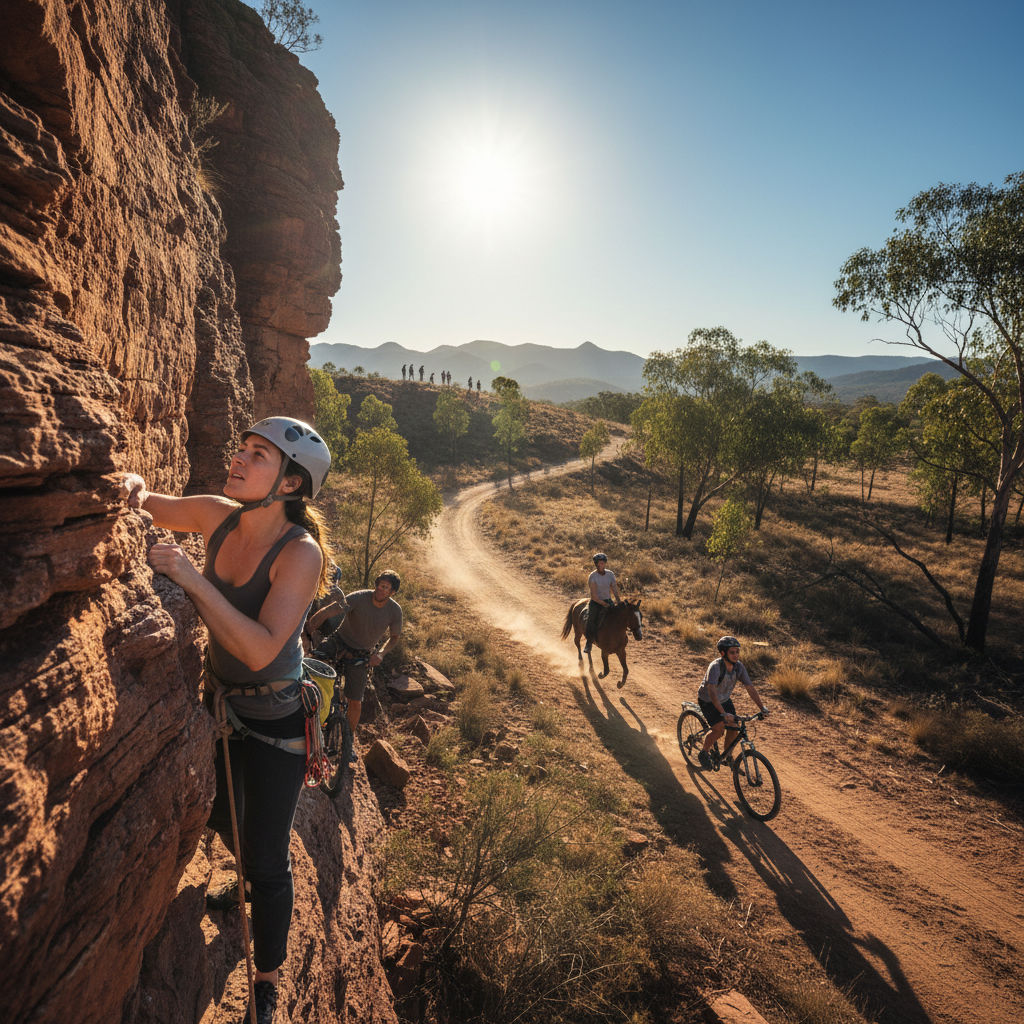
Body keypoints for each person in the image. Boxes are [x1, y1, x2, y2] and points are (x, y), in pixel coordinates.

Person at [121, 416, 333, 1024]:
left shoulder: (300, 553)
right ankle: (242, 882)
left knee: (267, 860)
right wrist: (126, 480)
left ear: (290, 485)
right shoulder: (218, 514)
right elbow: (150, 502)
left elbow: (263, 647)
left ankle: (266, 977)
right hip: (222, 705)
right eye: (241, 448)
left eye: (258, 455)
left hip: (276, 721)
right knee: (217, 811)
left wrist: (190, 577)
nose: (238, 459)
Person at [331, 570, 403, 734]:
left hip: (362, 653)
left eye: (385, 587)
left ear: (393, 592)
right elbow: (332, 610)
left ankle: (348, 741)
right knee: (317, 677)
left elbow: (394, 637)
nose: (380, 588)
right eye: (379, 584)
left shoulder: (394, 610)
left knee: (355, 701)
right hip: (339, 642)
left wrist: (380, 654)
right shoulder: (360, 596)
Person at [696, 636, 769, 770]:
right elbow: (712, 691)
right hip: (708, 700)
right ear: (723, 653)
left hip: (724, 699)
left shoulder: (739, 667)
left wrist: (761, 707)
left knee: (734, 728)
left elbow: (750, 687)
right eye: (732, 652)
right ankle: (704, 752)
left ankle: (727, 756)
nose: (736, 655)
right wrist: (723, 714)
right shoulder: (716, 667)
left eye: (737, 652)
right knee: (719, 730)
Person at [584, 552, 621, 654]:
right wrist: (604, 604)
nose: (601, 565)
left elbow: (614, 589)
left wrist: (619, 602)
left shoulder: (610, 574)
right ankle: (589, 642)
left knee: (618, 617)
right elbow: (594, 596)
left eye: (602, 562)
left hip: (608, 600)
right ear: (596, 564)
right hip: (596, 602)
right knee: (592, 619)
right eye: (598, 563)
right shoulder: (593, 576)